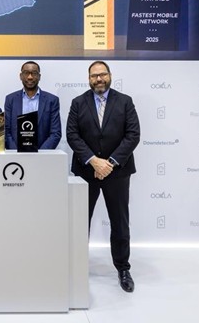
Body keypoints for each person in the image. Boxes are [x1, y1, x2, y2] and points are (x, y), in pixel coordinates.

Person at [66, 60, 140, 293]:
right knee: (80, 222)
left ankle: (123, 269)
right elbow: (72, 135)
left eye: (102, 74)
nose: (99, 79)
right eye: (94, 76)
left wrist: (110, 163)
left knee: (120, 223)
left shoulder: (125, 101)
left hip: (117, 172)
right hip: (86, 172)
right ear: (88, 79)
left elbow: (133, 135)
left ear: (110, 75)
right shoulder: (78, 103)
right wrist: (93, 160)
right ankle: (76, 267)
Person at [4, 61, 61, 150]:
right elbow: (6, 130)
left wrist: (41, 154)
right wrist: (15, 152)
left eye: (34, 73)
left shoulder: (52, 100)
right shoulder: (10, 99)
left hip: (42, 155)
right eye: (26, 73)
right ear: (20, 76)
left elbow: (55, 133)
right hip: (15, 154)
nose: (30, 77)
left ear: (39, 76)